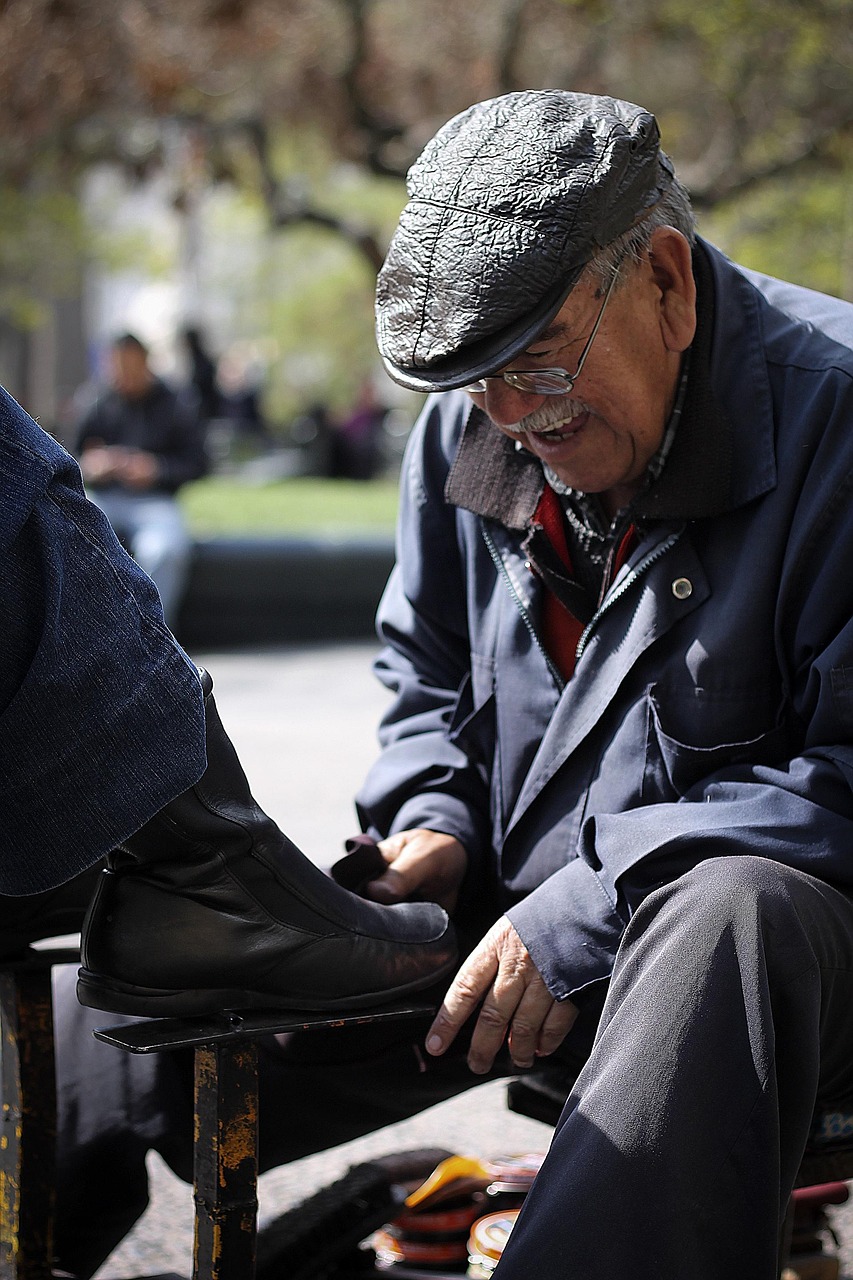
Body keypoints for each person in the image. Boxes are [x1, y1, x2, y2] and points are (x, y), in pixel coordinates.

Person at [34, 89, 853, 1279]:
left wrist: (582, 904)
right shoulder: (479, 422)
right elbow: (420, 670)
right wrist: (430, 818)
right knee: (171, 981)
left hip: (771, 966)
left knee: (730, 909)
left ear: (668, 285)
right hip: (518, 916)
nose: (509, 419)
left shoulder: (836, 415)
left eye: (533, 362)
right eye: (474, 381)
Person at [0, 378, 456, 1271]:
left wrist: (446, 816)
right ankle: (206, 856)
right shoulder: (466, 432)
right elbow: (427, 673)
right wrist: (440, 800)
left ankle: (193, 851)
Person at [73, 332, 208, 627]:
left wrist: (156, 469)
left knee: (165, 551)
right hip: (103, 497)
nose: (125, 376)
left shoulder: (175, 402)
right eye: (118, 367)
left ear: (146, 362)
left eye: (131, 367)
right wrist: (92, 466)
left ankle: (149, 639)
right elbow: (66, 456)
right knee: (74, 542)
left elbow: (198, 463)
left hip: (155, 500)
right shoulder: (94, 400)